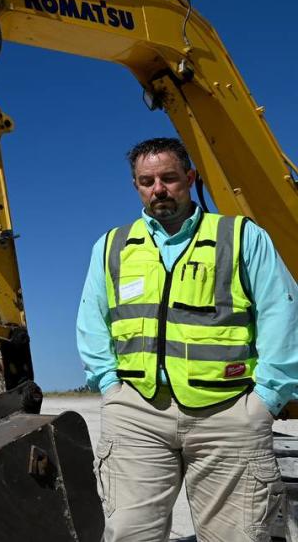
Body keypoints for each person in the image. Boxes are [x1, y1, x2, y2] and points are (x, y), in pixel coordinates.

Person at [76, 137, 298, 541]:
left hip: (227, 413)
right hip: (137, 413)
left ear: (190, 178)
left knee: (238, 536)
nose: (158, 188)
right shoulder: (112, 246)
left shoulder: (240, 236)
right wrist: (109, 387)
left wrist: (266, 398)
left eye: (168, 178)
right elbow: (93, 321)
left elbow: (281, 314)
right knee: (128, 533)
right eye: (147, 181)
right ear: (136, 186)